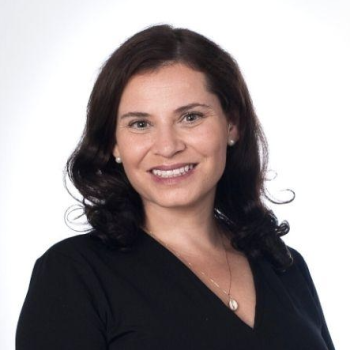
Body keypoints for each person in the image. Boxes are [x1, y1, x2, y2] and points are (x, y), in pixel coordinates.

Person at [16, 24, 335, 349]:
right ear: (114, 143)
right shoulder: (73, 275)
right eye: (140, 124)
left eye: (191, 117)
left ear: (232, 125)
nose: (167, 146)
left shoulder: (283, 265)